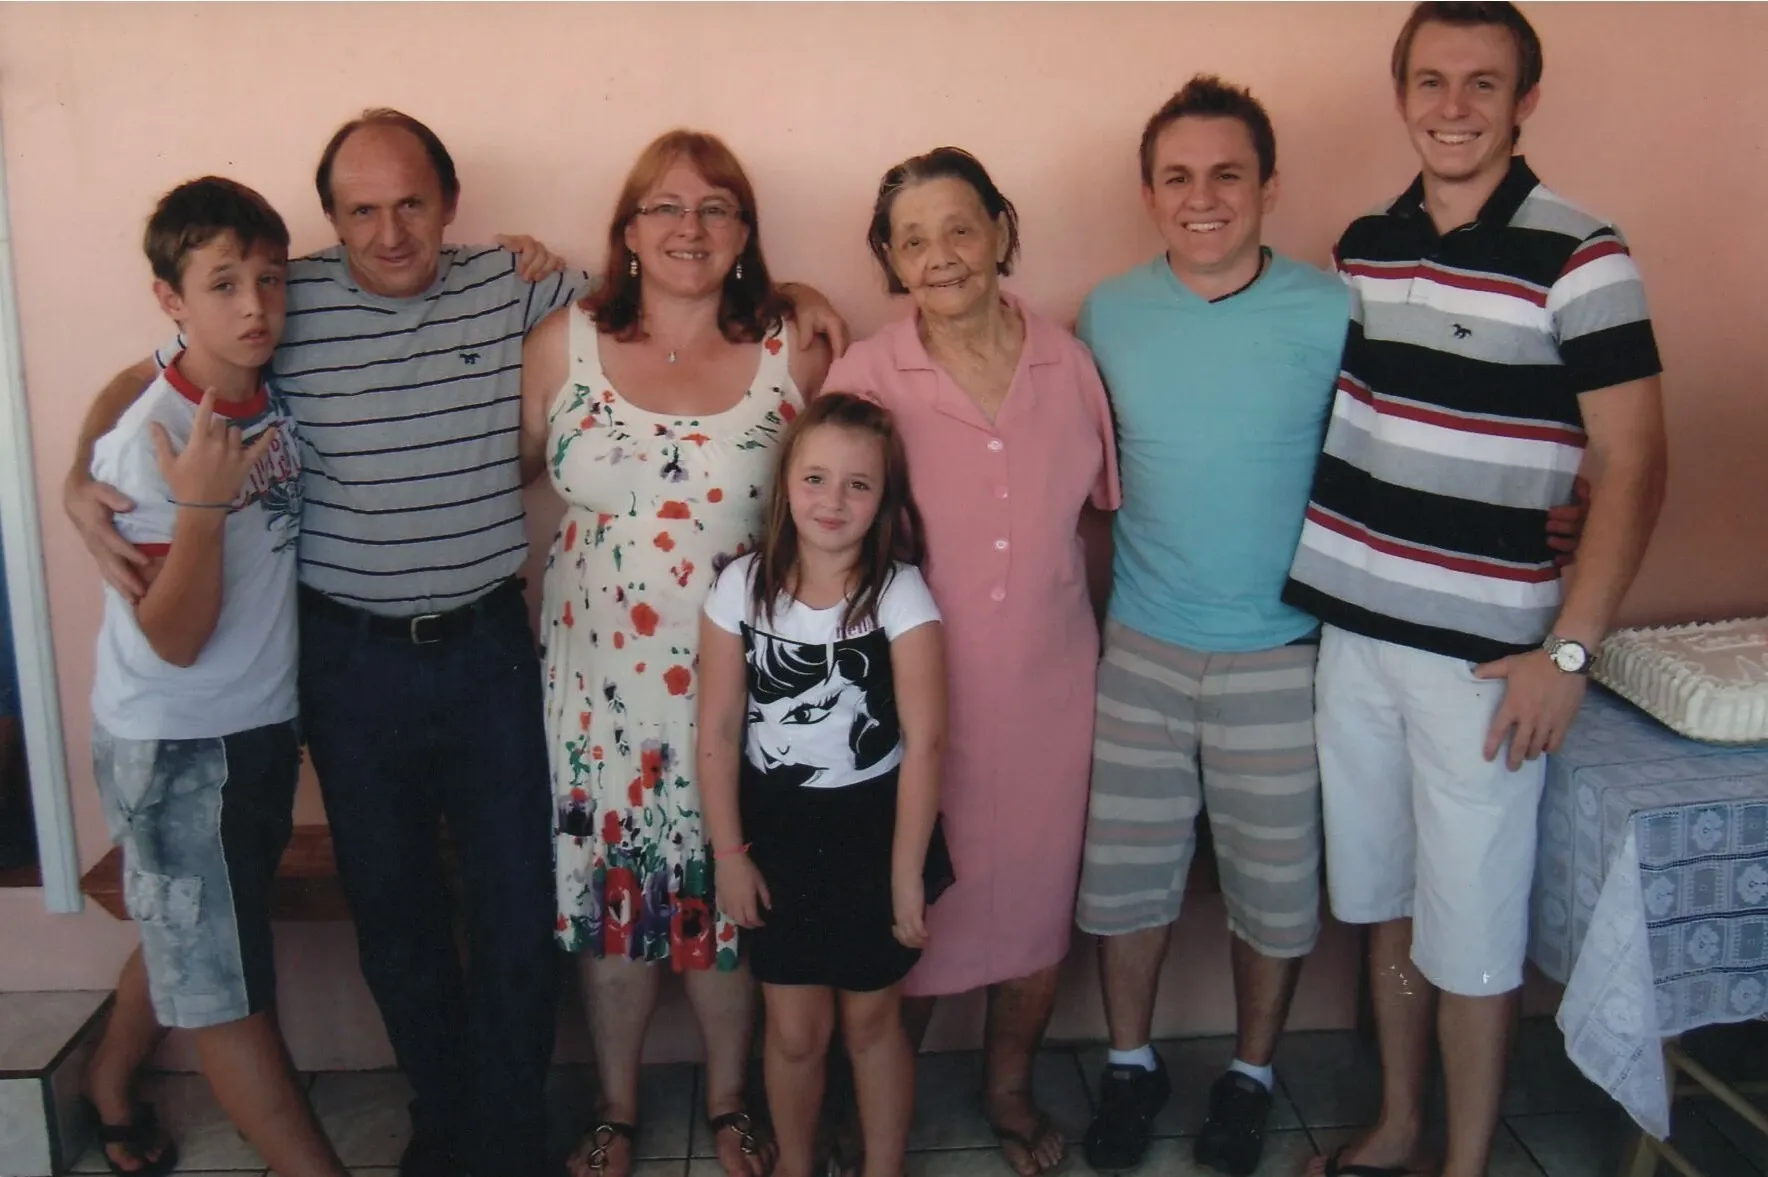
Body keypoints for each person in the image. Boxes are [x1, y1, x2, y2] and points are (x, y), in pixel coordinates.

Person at [63, 111, 848, 1177]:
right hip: (348, 663)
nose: (390, 233)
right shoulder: (284, 299)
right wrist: (79, 470)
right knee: (397, 919)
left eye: (411, 205)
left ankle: (511, 1135)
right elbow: (162, 366)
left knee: (519, 911)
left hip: (486, 653)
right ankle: (447, 1126)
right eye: (362, 211)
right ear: (332, 221)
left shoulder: (519, 290)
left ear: (451, 203)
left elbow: (682, 301)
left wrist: (796, 297)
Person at [1282, 6, 1667, 1177]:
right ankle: (1399, 1124)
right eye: (1432, 81)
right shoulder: (1359, 246)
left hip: (1485, 663)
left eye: (1482, 85)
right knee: (1387, 905)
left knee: (1478, 930)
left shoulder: (1582, 254)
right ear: (1399, 93)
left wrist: (1570, 652)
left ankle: (1462, 1162)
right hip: (1351, 639)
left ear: (1523, 102)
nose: (1453, 107)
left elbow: (1638, 463)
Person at [518, 128, 831, 1177]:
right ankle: (615, 1104)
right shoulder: (562, 344)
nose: (689, 228)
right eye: (664, 207)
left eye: (715, 208)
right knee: (616, 905)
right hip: (596, 696)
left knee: (728, 900)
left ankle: (731, 1098)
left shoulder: (797, 343)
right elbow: (504, 474)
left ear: (745, 233)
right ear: (628, 231)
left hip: (745, 696)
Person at [1070, 77, 1349, 1177]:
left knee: (1274, 893)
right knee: (1126, 885)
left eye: (1226, 173)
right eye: (1177, 176)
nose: (1202, 197)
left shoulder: (1333, 310)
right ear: (1148, 192)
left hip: (1283, 652)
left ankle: (1251, 1072)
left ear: (1268, 185)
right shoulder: (1106, 311)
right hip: (1138, 644)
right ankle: (1131, 1064)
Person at [822, 148, 1120, 1177]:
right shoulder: (864, 374)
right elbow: (821, 539)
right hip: (904, 709)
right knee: (903, 914)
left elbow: (1094, 530)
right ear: (890, 263)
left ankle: (1006, 1089)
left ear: (1000, 228)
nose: (939, 255)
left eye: (958, 227)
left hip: (1050, 695)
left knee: (1035, 905)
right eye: (911, 240)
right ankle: (874, 1111)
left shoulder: (1067, 361)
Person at [79, 176, 348, 1177]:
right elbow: (173, 638)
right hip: (178, 745)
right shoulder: (157, 444)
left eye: (271, 281)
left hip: (257, 733)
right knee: (225, 989)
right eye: (223, 284)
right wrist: (198, 510)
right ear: (172, 298)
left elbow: (132, 373)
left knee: (194, 930)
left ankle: (110, 1077)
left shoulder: (259, 387)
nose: (255, 307)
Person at [698, 391, 949, 1177]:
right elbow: (716, 732)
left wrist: (905, 874)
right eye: (815, 478)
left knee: (873, 1023)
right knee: (795, 1028)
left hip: (873, 831)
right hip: (776, 833)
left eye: (857, 484)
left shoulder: (899, 594)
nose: (832, 500)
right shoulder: (741, 586)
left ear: (884, 500)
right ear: (785, 487)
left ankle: (883, 1167)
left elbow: (927, 739)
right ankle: (797, 1162)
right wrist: (732, 854)